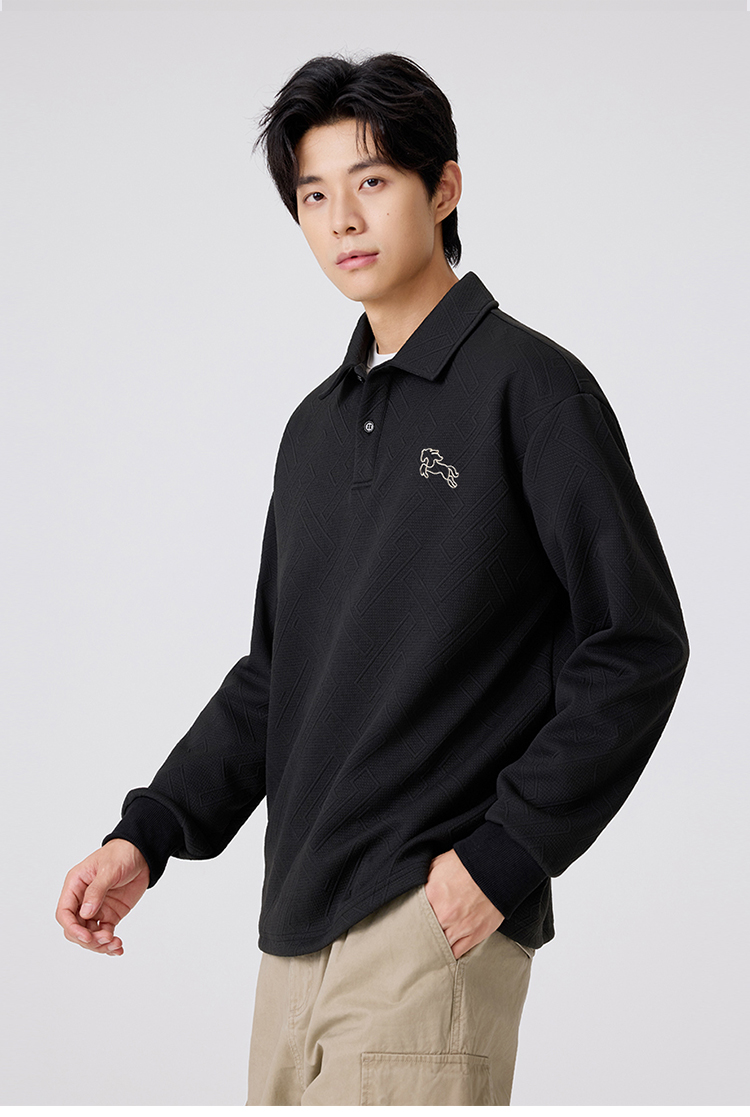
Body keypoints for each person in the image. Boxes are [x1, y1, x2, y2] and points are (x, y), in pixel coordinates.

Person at [56, 53, 689, 1106]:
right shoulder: (313, 429)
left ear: (444, 188)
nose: (342, 218)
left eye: (373, 180)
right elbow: (276, 677)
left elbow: (636, 643)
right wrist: (149, 831)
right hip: (291, 942)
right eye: (314, 195)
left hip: (424, 930)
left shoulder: (533, 391)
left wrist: (506, 854)